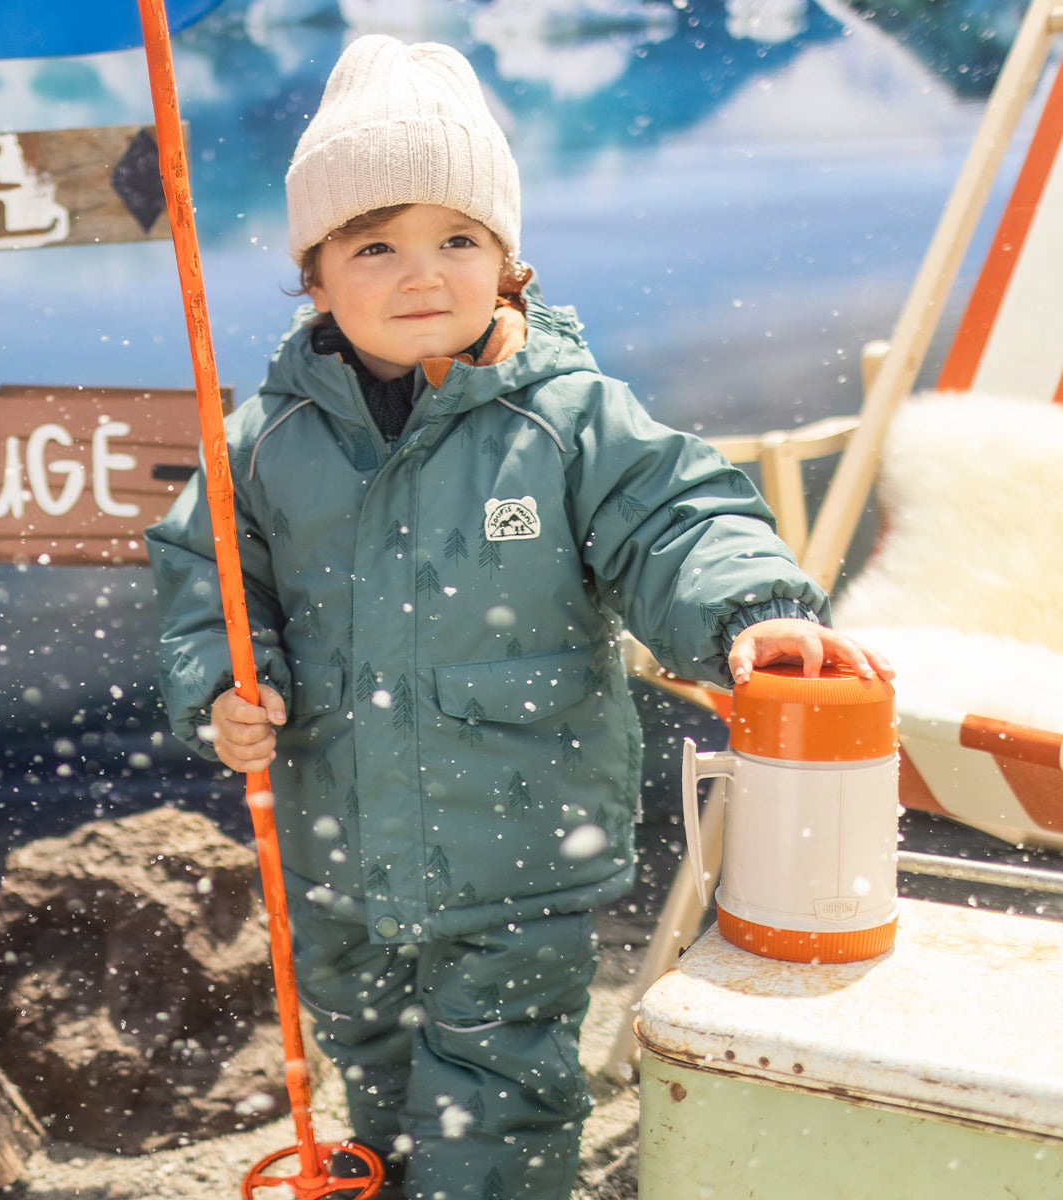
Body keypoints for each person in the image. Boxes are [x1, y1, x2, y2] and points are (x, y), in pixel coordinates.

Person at [145, 34, 892, 1200]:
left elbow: (675, 516)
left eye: (459, 239)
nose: (422, 272)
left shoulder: (567, 419)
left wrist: (751, 608)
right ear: (316, 275)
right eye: (375, 245)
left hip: (523, 849)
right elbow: (208, 584)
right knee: (378, 1070)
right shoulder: (263, 441)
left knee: (497, 1094)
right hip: (337, 851)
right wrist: (223, 690)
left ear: (509, 261)